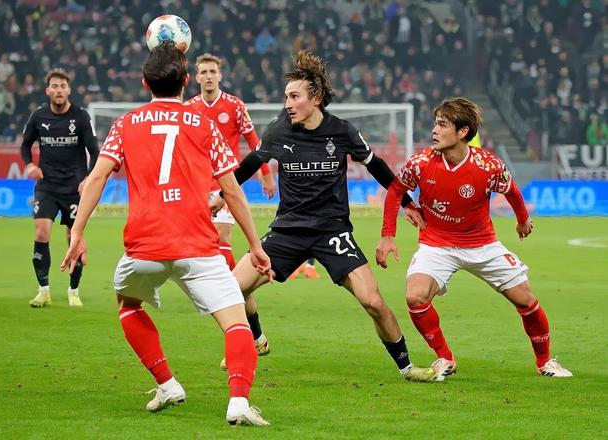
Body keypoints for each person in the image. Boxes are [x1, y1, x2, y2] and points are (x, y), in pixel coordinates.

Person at [61, 42, 271, 426]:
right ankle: (239, 402)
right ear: (187, 81)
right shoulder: (205, 124)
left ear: (145, 83)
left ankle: (167, 383)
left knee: (128, 305)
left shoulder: (125, 124)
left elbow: (97, 178)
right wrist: (255, 246)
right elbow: (232, 191)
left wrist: (77, 231)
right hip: (198, 246)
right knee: (236, 322)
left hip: (144, 248)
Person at [214, 50, 436, 382]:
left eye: (294, 97)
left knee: (373, 302)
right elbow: (248, 166)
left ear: (315, 98)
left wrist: (406, 203)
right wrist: (220, 196)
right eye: (286, 97)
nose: (288, 104)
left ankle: (406, 367)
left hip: (332, 232)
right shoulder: (277, 131)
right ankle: (256, 339)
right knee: (230, 290)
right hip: (288, 231)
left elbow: (376, 166)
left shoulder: (342, 131)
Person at [376, 97, 573, 381]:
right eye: (435, 124)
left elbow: (511, 191)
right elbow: (395, 190)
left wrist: (522, 220)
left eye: (442, 125)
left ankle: (545, 362)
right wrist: (387, 235)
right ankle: (444, 357)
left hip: (482, 244)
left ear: (462, 132)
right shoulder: (421, 163)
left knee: (526, 299)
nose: (434, 130)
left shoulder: (487, 165)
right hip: (437, 244)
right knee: (414, 296)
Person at [186, 53, 276, 272]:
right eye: (204, 72)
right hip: (196, 184)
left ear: (220, 76)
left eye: (212, 71)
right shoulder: (188, 109)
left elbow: (255, 142)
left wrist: (266, 174)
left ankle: (233, 286)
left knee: (222, 235)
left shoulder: (235, 105)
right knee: (203, 242)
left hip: (226, 183)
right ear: (197, 77)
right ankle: (232, 285)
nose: (208, 76)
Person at [21, 68, 99, 308]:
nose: (59, 90)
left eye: (63, 86)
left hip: (74, 188)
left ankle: (74, 291)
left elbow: (94, 151)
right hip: (47, 186)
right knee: (41, 233)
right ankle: (43, 290)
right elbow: (25, 145)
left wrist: (87, 179)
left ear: (69, 90)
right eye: (54, 86)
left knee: (73, 238)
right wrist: (30, 165)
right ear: (48, 90)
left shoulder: (80, 117)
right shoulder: (38, 116)